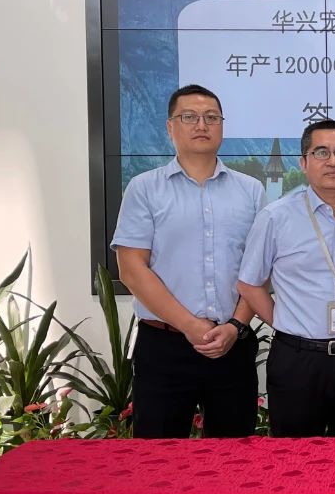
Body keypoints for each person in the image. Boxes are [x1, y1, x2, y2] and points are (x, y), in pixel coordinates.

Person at [111, 84, 264, 438]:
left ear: (222, 126)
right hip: (164, 347)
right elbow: (132, 269)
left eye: (212, 117)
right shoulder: (144, 188)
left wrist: (236, 326)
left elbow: (260, 270)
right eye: (189, 117)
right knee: (158, 457)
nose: (202, 125)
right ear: (170, 127)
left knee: (235, 458)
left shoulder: (250, 191)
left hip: (232, 344)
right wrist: (190, 325)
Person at [237, 120, 335, 437]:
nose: (333, 161)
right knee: (294, 459)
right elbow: (249, 283)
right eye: (321, 152)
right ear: (304, 162)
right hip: (297, 361)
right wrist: (286, 322)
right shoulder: (275, 217)